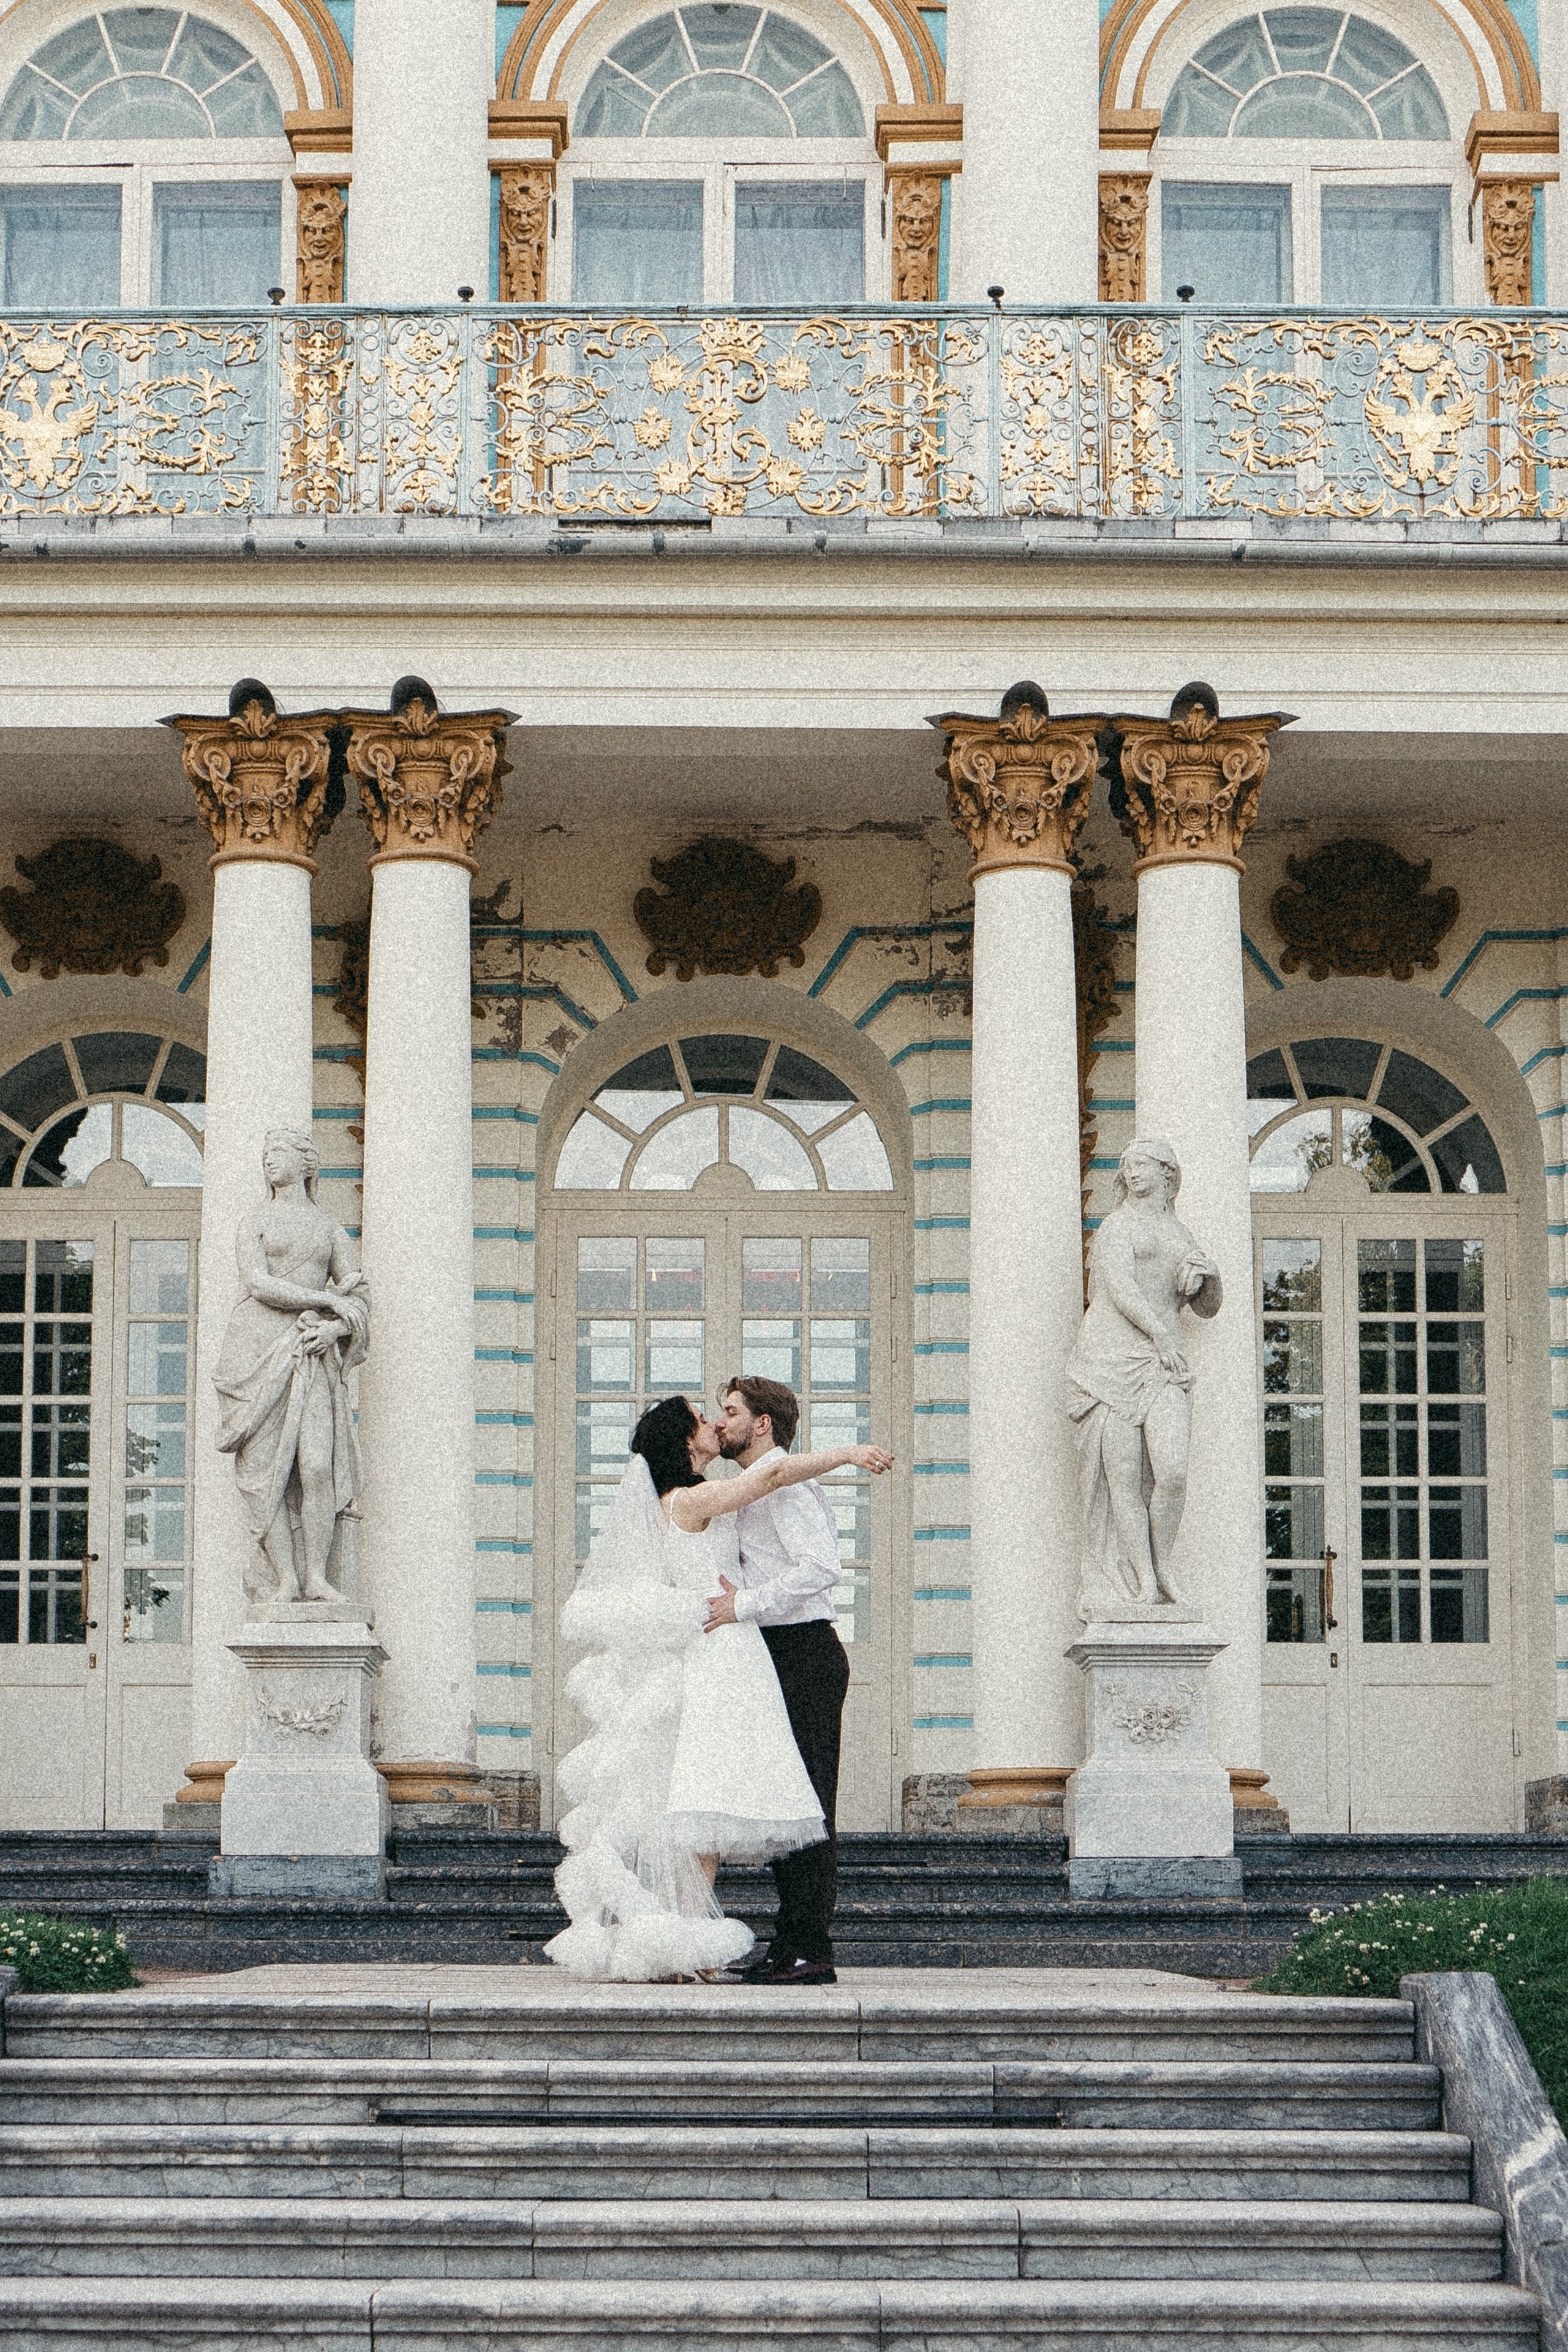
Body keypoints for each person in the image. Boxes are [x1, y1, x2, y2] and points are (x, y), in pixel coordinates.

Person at [546, 1393, 892, 1982]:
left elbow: (776, 1496)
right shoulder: (691, 1498)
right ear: (686, 1442)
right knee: (700, 1799)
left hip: (738, 1649)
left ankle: (695, 1945)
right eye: (703, 1418)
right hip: (722, 1650)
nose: (713, 1422)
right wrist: (849, 1452)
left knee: (704, 1801)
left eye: (722, 1412)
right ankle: (689, 1945)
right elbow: (775, 1471)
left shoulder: (692, 1496)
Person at [705, 1375, 860, 1986]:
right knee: (784, 1805)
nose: (721, 1424)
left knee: (810, 1807)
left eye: (731, 1412)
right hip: (773, 1654)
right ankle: (787, 1942)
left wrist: (742, 1605)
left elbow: (822, 1569)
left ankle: (810, 1949)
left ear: (761, 1423)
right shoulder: (749, 1488)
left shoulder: (788, 1486)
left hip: (805, 1653)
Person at [211, 1127, 369, 1607]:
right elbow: (258, 1283)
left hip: (311, 1351)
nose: (269, 1161)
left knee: (317, 1466)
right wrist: (325, 1300)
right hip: (255, 1349)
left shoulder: (329, 1228)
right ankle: (286, 1580)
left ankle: (317, 1577)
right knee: (267, 1474)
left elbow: (359, 1296)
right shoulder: (254, 1220)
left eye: (278, 1152)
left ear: (307, 1164)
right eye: (264, 1154)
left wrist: (334, 1331)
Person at [1064, 1136, 1221, 1613]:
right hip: (1111, 1360)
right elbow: (1120, 1287)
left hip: (1162, 1363)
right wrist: (1161, 1333)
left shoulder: (1181, 1234)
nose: (1131, 1173)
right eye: (1127, 1166)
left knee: (1172, 1471)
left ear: (1167, 1174)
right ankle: (1145, 1583)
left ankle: (1164, 1565)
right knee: (1123, 1481)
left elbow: (1207, 1309)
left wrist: (1210, 1279)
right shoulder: (1117, 1226)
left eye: (1142, 1165)